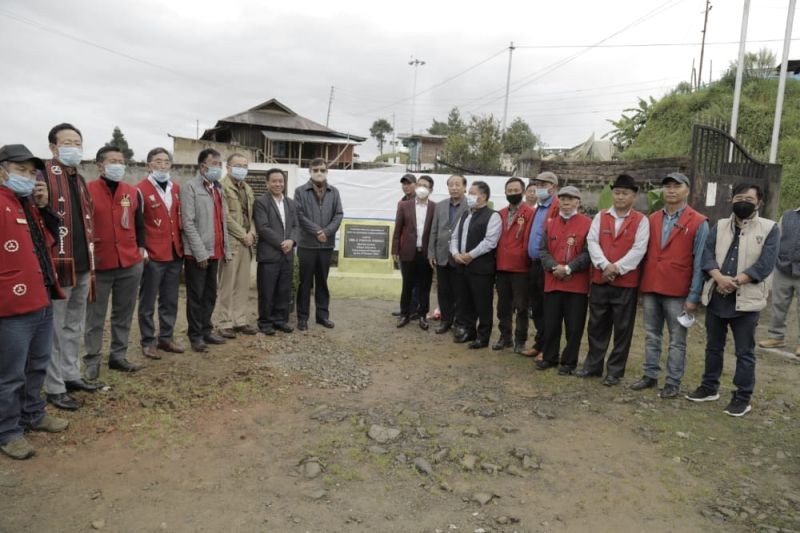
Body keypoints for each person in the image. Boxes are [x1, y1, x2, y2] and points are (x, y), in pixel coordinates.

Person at [0, 145, 69, 460]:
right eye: (21, 171)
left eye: (32, 172)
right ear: (3, 170)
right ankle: (8, 431)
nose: (28, 177)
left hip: (41, 296)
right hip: (11, 305)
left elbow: (52, 239)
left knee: (38, 364)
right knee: (10, 373)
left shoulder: (26, 203)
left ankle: (33, 414)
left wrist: (43, 208)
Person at [687, 183, 778, 417]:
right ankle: (709, 387)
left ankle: (742, 397)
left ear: (759, 202)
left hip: (746, 301)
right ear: (731, 199)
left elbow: (765, 264)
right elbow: (707, 255)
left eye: (749, 198)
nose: (743, 202)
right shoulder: (720, 226)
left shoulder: (770, 228)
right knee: (713, 346)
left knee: (744, 351)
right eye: (739, 197)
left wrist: (735, 281)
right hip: (717, 296)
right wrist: (719, 278)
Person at [631, 173, 708, 398]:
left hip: (678, 290)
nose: (671, 190)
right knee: (651, 334)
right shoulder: (653, 218)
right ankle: (650, 374)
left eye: (677, 186)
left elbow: (700, 261)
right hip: (652, 285)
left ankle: (673, 381)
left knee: (677, 340)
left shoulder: (698, 222)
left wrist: (694, 295)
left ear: (687, 190)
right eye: (667, 187)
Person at [42, 123, 101, 411]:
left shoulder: (79, 179)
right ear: (53, 147)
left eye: (78, 142)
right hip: (57, 264)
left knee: (73, 324)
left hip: (81, 263)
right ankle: (54, 386)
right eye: (67, 142)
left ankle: (70, 374)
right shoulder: (43, 175)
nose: (74, 147)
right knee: (54, 327)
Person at [577, 174, 649, 386]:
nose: (620, 197)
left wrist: (617, 268)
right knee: (597, 325)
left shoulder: (641, 221)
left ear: (633, 196)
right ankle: (593, 366)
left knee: (622, 328)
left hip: (626, 283)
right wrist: (604, 265)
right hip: (601, 279)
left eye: (625, 193)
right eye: (617, 193)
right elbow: (592, 241)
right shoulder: (601, 217)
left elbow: (639, 249)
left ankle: (615, 372)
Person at [83, 146, 145, 378]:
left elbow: (140, 224)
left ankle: (118, 356)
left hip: (129, 263)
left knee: (123, 313)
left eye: (121, 161)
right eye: (113, 160)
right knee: (94, 317)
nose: (118, 165)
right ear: (100, 165)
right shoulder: (87, 191)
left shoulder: (132, 192)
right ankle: (92, 360)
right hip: (99, 264)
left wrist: (141, 251)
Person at [136, 148, 185, 359]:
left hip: (174, 252)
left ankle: (166, 337)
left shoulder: (176, 188)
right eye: (157, 161)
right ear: (149, 165)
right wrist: (142, 249)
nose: (162, 165)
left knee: (170, 299)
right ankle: (148, 342)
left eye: (166, 162)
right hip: (153, 254)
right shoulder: (139, 189)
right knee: (147, 301)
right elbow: (138, 224)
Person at [537, 186, 592, 374]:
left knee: (574, 326)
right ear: (558, 201)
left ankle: (569, 362)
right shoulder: (550, 223)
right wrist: (554, 267)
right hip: (553, 281)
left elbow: (588, 253)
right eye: (563, 198)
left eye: (571, 199)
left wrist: (569, 268)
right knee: (551, 323)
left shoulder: (587, 224)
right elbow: (543, 250)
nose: (566, 202)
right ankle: (550, 357)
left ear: (578, 202)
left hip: (576, 284)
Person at [181, 148, 231, 352]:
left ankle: (206, 330)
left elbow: (222, 221)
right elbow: (188, 223)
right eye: (216, 164)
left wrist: (226, 249)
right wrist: (199, 253)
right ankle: (195, 336)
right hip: (198, 254)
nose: (219, 168)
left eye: (221, 164)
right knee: (196, 296)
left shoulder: (217, 188)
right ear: (203, 166)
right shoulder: (190, 188)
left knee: (211, 294)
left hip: (216, 251)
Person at [451, 181, 502, 349]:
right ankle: (468, 331)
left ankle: (483, 337)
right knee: (465, 302)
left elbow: (490, 242)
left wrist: (470, 255)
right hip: (462, 266)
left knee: (483, 304)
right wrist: (456, 254)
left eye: (472, 193)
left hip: (480, 269)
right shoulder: (466, 214)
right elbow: (455, 237)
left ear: (483, 196)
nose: (469, 196)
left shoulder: (493, 216)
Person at [294, 158, 343, 331]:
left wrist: (327, 232)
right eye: (315, 170)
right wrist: (317, 231)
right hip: (307, 245)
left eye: (322, 170)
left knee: (322, 282)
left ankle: (323, 316)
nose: (319, 173)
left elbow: (338, 215)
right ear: (310, 171)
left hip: (326, 246)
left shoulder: (334, 192)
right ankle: (302, 318)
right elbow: (299, 215)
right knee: (305, 283)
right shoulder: (300, 191)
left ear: (327, 171)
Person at [253, 168, 299, 335]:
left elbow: (296, 226)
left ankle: (280, 320)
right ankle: (265, 322)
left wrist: (292, 240)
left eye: (281, 181)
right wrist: (281, 243)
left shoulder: (291, 203)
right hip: (269, 254)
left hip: (287, 255)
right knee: (267, 290)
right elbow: (263, 228)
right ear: (267, 183)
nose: (278, 184)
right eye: (274, 181)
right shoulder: (261, 202)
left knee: (284, 289)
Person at [217, 153, 257, 337]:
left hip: (247, 243)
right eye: (238, 165)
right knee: (227, 284)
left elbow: (251, 215)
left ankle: (239, 320)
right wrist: (243, 235)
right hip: (231, 242)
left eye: (244, 165)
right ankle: (224, 322)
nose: (242, 169)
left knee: (242, 284)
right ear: (228, 167)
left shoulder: (247, 188)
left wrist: (252, 234)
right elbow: (225, 217)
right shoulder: (221, 187)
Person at [494, 178, 534, 353]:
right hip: (502, 266)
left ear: (523, 191)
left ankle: (520, 340)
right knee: (503, 306)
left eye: (516, 190)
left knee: (521, 306)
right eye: (509, 190)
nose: (512, 193)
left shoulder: (530, 213)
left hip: (521, 268)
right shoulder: (500, 213)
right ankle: (505, 337)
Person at [523, 172, 560, 358]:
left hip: (548, 265)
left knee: (548, 308)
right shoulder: (539, 208)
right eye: (537, 184)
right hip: (534, 264)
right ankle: (539, 343)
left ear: (552, 186)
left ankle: (548, 348)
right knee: (536, 306)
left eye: (543, 184)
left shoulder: (557, 206)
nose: (539, 188)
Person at [392, 175, 436, 329]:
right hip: (408, 252)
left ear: (430, 190)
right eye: (420, 184)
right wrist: (395, 249)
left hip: (426, 254)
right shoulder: (405, 205)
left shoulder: (435, 208)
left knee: (425, 286)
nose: (422, 188)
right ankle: (405, 314)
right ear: (416, 186)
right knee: (407, 285)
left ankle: (423, 315)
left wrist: (434, 253)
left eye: (426, 186)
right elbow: (397, 229)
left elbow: (435, 232)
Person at [428, 175, 468, 335]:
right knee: (443, 291)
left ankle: (459, 322)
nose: (454, 188)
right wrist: (431, 252)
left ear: (464, 187)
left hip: (460, 256)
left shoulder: (470, 205)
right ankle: (446, 320)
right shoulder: (440, 206)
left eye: (458, 184)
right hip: (442, 254)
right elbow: (434, 230)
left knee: (460, 291)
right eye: (451, 185)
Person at [758, 205, 800, 356]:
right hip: (784, 267)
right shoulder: (788, 215)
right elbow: (777, 237)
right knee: (778, 304)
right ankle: (776, 337)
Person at [392, 173, 419, 318]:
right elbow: (398, 227)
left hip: (418, 248)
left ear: (416, 184)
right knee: (407, 280)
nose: (406, 186)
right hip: (404, 248)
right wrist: (396, 248)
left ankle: (415, 309)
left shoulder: (420, 201)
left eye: (409, 183)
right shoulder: (401, 202)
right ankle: (406, 308)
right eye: (404, 184)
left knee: (416, 281)